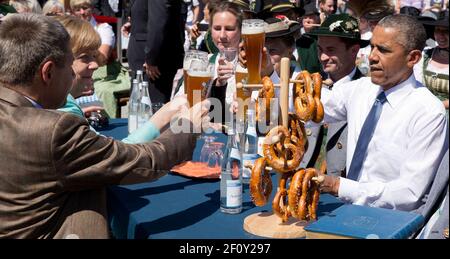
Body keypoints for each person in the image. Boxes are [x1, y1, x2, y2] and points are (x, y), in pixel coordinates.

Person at [0, 13, 209, 238]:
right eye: (70, 65)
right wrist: (187, 127)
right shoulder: (54, 130)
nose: (76, 73)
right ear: (48, 72)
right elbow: (142, 161)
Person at [314, 14, 448, 212]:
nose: (372, 56)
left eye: (383, 50)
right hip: (346, 210)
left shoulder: (427, 112)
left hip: (390, 222)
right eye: (372, 46)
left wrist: (338, 186)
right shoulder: (360, 89)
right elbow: (316, 108)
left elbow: (409, 193)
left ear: (413, 58)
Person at [54, 15, 186, 143]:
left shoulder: (61, 106)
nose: (95, 65)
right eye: (84, 57)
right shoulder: (65, 116)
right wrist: (163, 118)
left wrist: (78, 115)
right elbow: (117, 158)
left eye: (94, 56)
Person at [303, 13, 368, 174]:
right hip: (301, 179)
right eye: (320, 50)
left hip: (341, 189)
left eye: (331, 50)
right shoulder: (309, 86)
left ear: (354, 51)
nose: (323, 57)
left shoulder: (366, 94)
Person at [124, 0, 185, 104]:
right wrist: (135, 24)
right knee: (141, 110)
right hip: (146, 60)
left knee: (151, 112)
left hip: (153, 65)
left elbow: (158, 22)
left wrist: (152, 59)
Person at [414, 10, 449, 112]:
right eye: (437, 30)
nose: (440, 35)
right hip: (424, 112)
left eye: (446, 31)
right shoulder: (425, 55)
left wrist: (438, 106)